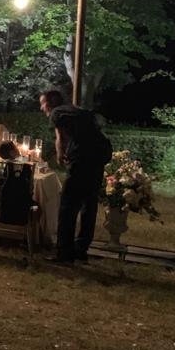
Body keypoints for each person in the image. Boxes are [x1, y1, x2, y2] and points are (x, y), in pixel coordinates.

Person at [39, 89, 111, 264]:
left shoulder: (57, 113)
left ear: (49, 103)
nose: (41, 107)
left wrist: (60, 156)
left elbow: (60, 138)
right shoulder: (75, 110)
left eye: (42, 103)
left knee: (68, 206)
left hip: (81, 160)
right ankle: (81, 249)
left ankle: (64, 253)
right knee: (88, 205)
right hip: (98, 158)